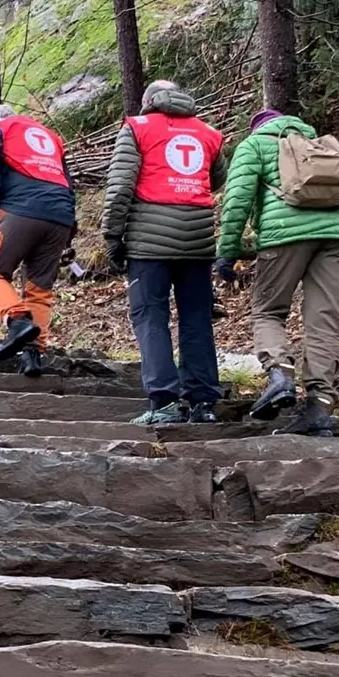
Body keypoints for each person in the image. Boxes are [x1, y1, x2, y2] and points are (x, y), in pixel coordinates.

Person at [216, 108, 339, 435]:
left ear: (258, 127)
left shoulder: (254, 145)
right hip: (337, 241)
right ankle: (319, 406)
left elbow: (237, 200)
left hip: (282, 239)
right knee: (324, 324)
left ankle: (280, 376)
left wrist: (227, 251)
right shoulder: (320, 145)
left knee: (268, 312)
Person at [102, 79, 227, 425]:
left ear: (148, 101)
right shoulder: (208, 133)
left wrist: (113, 236)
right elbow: (217, 178)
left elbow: (120, 187)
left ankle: (165, 402)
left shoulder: (138, 127)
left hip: (148, 242)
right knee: (197, 319)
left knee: (150, 316)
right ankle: (204, 402)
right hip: (198, 240)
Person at [0, 103, 76, 376]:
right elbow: (67, 180)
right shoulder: (49, 137)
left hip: (18, 211)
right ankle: (33, 355)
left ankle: (17, 320)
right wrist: (70, 222)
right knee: (39, 288)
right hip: (60, 217)